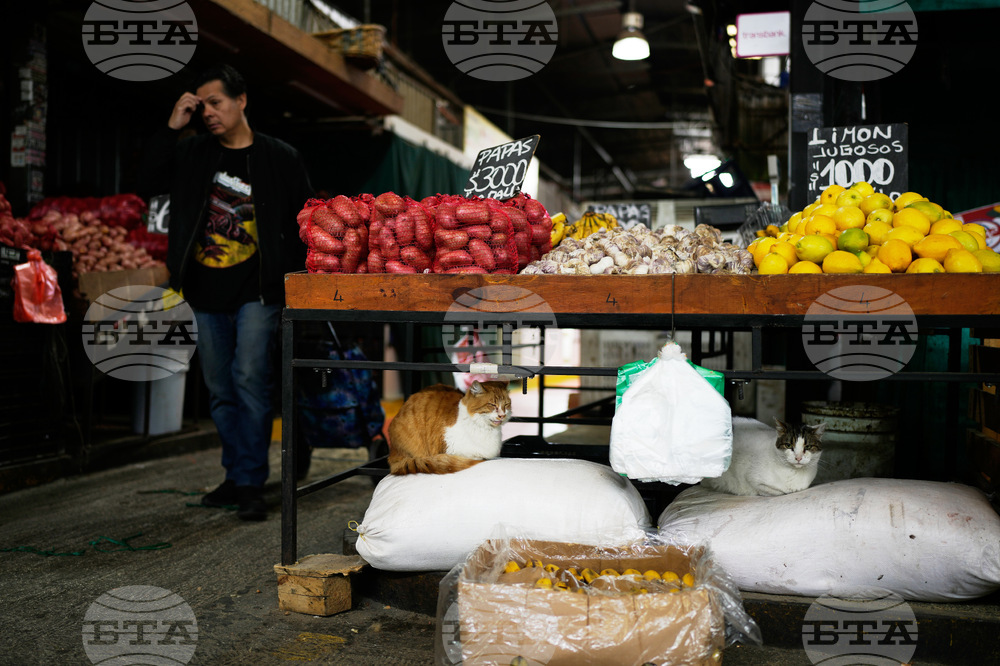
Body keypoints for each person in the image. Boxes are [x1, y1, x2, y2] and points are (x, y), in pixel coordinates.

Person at [139, 63, 313, 520]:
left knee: (250, 381)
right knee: (219, 390)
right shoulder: (193, 152)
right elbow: (147, 182)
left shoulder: (280, 156)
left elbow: (304, 223)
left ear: (242, 101)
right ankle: (235, 475)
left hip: (258, 293)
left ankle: (252, 482)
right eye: (201, 107)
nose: (208, 113)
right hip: (202, 291)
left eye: (215, 103)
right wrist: (172, 127)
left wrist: (294, 284)